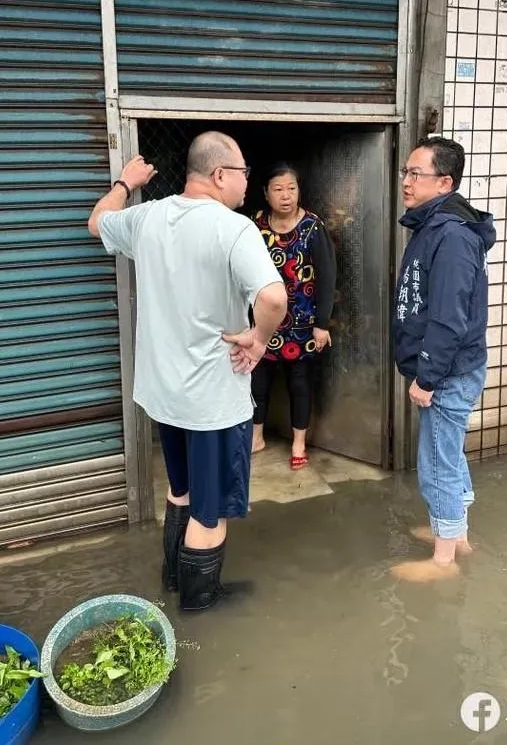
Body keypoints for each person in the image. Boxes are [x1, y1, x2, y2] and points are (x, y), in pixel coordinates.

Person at [87, 132, 287, 611]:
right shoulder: (234, 228)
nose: (247, 183)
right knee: (210, 508)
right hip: (212, 401)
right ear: (220, 175)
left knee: (180, 490)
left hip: (163, 393)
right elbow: (275, 298)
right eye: (243, 173)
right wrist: (258, 340)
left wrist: (124, 183)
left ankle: (174, 579)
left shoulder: (147, 216)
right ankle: (200, 605)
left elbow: (97, 223)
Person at [392, 137, 495, 583]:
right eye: (406, 173)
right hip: (450, 368)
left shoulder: (451, 235)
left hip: (447, 372)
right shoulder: (436, 226)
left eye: (417, 175)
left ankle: (444, 560)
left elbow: (449, 319)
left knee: (438, 459)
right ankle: (458, 536)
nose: (407, 182)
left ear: (446, 182)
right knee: (447, 454)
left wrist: (427, 377)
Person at [250, 162, 336, 469]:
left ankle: (299, 443)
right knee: (257, 381)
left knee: (300, 384)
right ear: (265, 193)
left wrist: (321, 324)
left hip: (303, 323)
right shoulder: (256, 224)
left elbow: (327, 277)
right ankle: (256, 437)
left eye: (291, 188)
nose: (286, 196)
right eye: (278, 189)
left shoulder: (313, 227)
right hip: (265, 321)